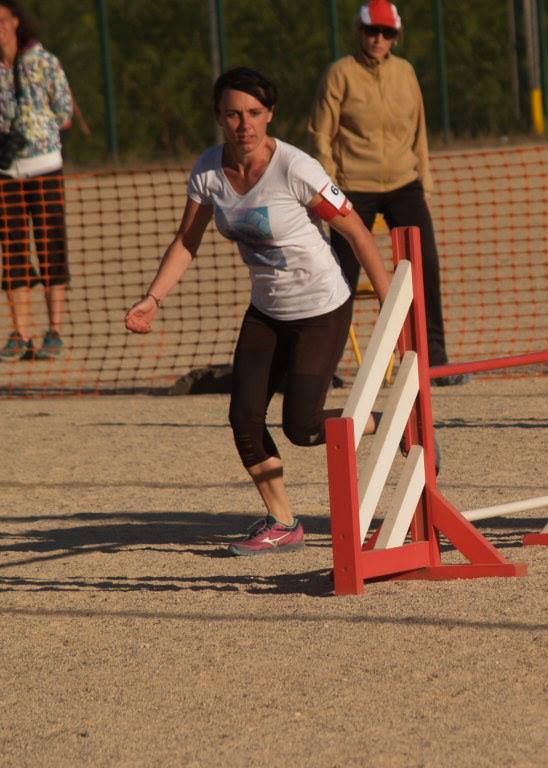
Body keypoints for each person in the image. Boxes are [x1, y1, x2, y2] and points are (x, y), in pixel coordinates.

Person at [124, 67, 392, 556]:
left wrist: (390, 300)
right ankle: (283, 522)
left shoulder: (297, 168)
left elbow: (354, 230)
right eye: (232, 114)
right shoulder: (208, 172)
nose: (243, 124)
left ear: (269, 115)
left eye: (253, 113)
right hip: (267, 310)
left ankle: (392, 421)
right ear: (219, 117)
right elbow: (187, 241)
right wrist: (153, 298)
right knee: (244, 419)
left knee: (303, 428)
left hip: (320, 307)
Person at [308, 0, 467, 386]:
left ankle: (435, 362)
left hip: (402, 183)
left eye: (387, 33)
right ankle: (319, 368)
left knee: (423, 265)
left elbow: (419, 130)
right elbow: (320, 135)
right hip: (351, 187)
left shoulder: (406, 72)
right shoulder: (339, 74)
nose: (378, 39)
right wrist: (329, 189)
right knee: (338, 274)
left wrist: (424, 179)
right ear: (359, 31)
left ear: (396, 36)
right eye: (371, 31)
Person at [0, 1, 73, 361]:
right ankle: (20, 333)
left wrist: (37, 128)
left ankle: (54, 330)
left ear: (15, 21)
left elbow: (64, 111)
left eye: (1, 20)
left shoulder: (42, 61)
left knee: (50, 246)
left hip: (44, 166)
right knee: (12, 251)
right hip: (4, 171)